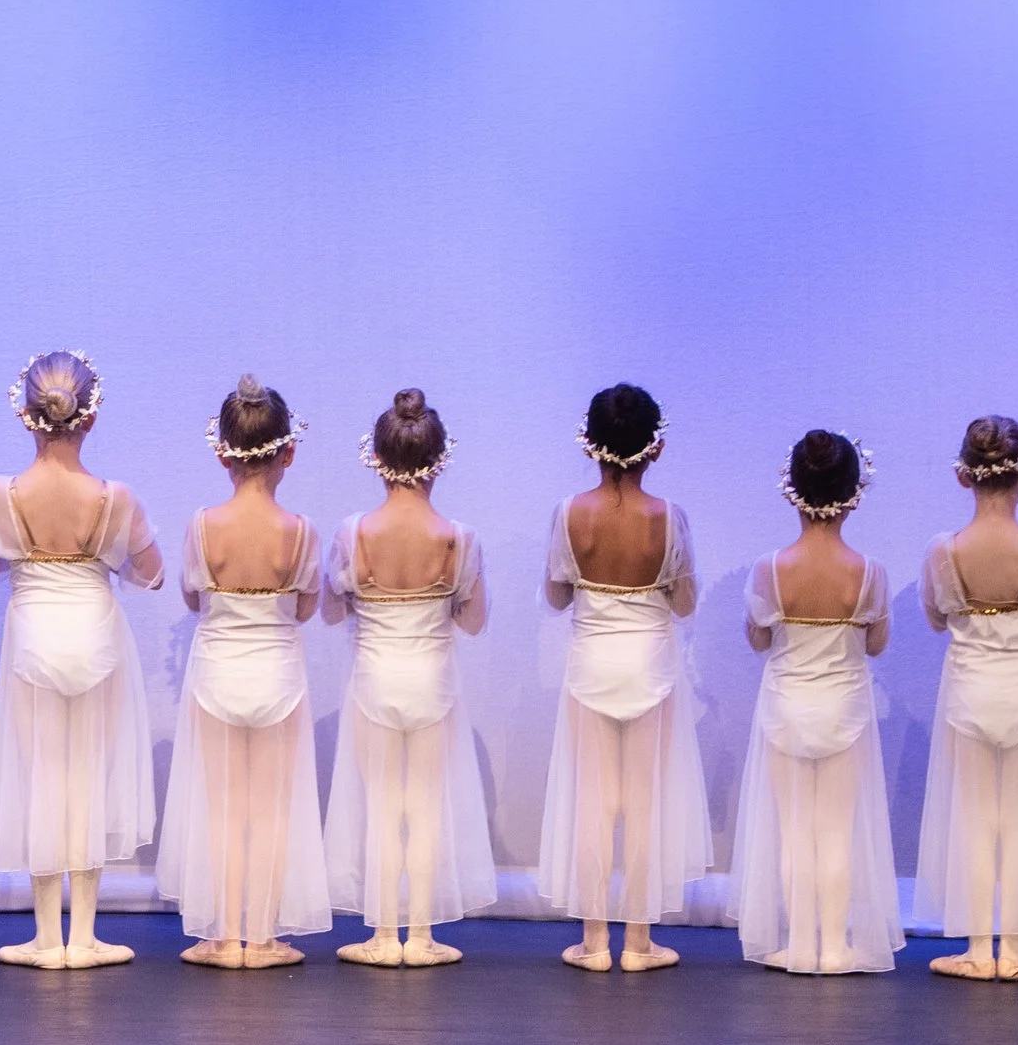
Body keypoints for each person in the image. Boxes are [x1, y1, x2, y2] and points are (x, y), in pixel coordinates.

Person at [0, 351, 162, 970]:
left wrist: (23, 554)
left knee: (42, 775)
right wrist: (106, 556)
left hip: (34, 637)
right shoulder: (114, 496)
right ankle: (86, 937)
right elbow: (153, 574)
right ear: (90, 418)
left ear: (26, 415)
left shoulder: (4, 493)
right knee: (89, 776)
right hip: (95, 635)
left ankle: (46, 936)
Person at [157, 375, 330, 968]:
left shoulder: (203, 526)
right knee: (272, 809)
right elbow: (307, 607)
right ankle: (263, 937)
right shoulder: (301, 530)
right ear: (288, 451)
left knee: (224, 808)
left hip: (218, 676)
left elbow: (191, 599)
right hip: (278, 675)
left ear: (221, 451)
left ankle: (224, 934)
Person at [536, 384, 711, 973]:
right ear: (654, 448)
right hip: (651, 669)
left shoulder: (569, 513)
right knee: (642, 803)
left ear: (590, 445)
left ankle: (593, 940)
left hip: (590, 666)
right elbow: (684, 604)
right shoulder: (670, 517)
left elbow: (557, 597)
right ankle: (638, 940)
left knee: (594, 802)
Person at [321, 389, 496, 967]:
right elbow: (473, 622)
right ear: (439, 459)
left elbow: (330, 612)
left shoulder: (354, 532)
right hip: (432, 682)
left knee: (382, 803)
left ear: (377, 457)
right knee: (422, 807)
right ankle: (420, 936)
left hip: (374, 680)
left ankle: (382, 935)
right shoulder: (458, 537)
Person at [732, 431, 903, 974]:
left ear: (793, 490)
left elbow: (758, 640)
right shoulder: (869, 571)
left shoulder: (770, 569)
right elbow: (876, 644)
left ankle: (800, 944)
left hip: (786, 707)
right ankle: (834, 945)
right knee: (835, 830)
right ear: (854, 492)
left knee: (792, 830)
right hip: (845, 711)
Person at [912, 416, 1018, 981]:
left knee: (977, 819)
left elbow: (935, 619)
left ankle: (979, 949)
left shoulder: (944, 550)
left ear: (963, 477)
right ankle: (1014, 949)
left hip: (969, 691)